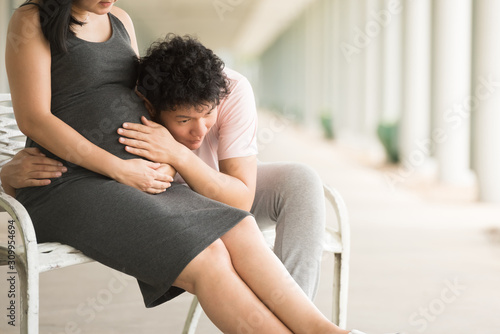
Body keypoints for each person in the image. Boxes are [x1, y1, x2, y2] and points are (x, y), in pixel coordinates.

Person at [2, 1, 385, 333]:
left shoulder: (120, 19)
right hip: (68, 182)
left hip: (137, 178)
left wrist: (163, 158)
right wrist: (120, 169)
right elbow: (34, 119)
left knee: (239, 225)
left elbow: (142, 100)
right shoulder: (32, 21)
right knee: (207, 259)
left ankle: (328, 331)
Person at [4, 40, 326, 301]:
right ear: (149, 106)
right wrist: (8, 172)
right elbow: (77, 139)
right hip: (172, 205)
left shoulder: (232, 91)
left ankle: (297, 312)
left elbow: (240, 198)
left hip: (221, 190)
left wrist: (180, 155)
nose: (199, 133)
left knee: (301, 181)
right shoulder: (133, 102)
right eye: (184, 121)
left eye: (208, 115)